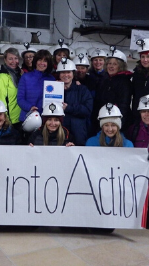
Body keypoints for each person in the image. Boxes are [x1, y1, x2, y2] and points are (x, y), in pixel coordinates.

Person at [86, 103, 132, 234]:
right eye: (106, 125)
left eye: (113, 125)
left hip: (115, 190)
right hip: (96, 187)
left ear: (118, 126)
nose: (110, 129)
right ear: (101, 126)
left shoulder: (128, 145)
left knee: (107, 229)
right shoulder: (91, 143)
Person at [94, 46, 132, 133]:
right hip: (104, 118)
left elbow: (124, 106)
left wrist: (119, 125)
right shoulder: (104, 79)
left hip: (116, 121)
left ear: (120, 66)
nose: (111, 66)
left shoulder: (124, 82)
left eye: (115, 64)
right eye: (109, 63)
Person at [57, 58, 93, 145]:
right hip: (60, 131)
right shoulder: (53, 89)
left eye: (68, 72)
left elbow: (88, 109)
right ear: (59, 74)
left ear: (73, 74)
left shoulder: (82, 90)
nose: (66, 75)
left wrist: (69, 108)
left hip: (79, 132)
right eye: (62, 72)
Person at [17, 49, 55, 121]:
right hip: (28, 118)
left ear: (48, 63)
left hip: (46, 119)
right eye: (40, 60)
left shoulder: (52, 79)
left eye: (45, 61)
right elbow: (20, 99)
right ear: (35, 61)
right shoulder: (25, 77)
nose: (42, 63)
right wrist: (30, 107)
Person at [0, 47, 22, 132]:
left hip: (20, 119)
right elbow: (0, 100)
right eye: (10, 59)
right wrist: (5, 120)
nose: (14, 62)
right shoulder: (1, 77)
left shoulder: (20, 75)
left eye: (16, 58)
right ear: (5, 60)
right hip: (10, 122)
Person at [132, 38, 149, 122]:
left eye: (148, 56)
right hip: (138, 115)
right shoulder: (137, 74)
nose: (145, 60)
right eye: (143, 57)